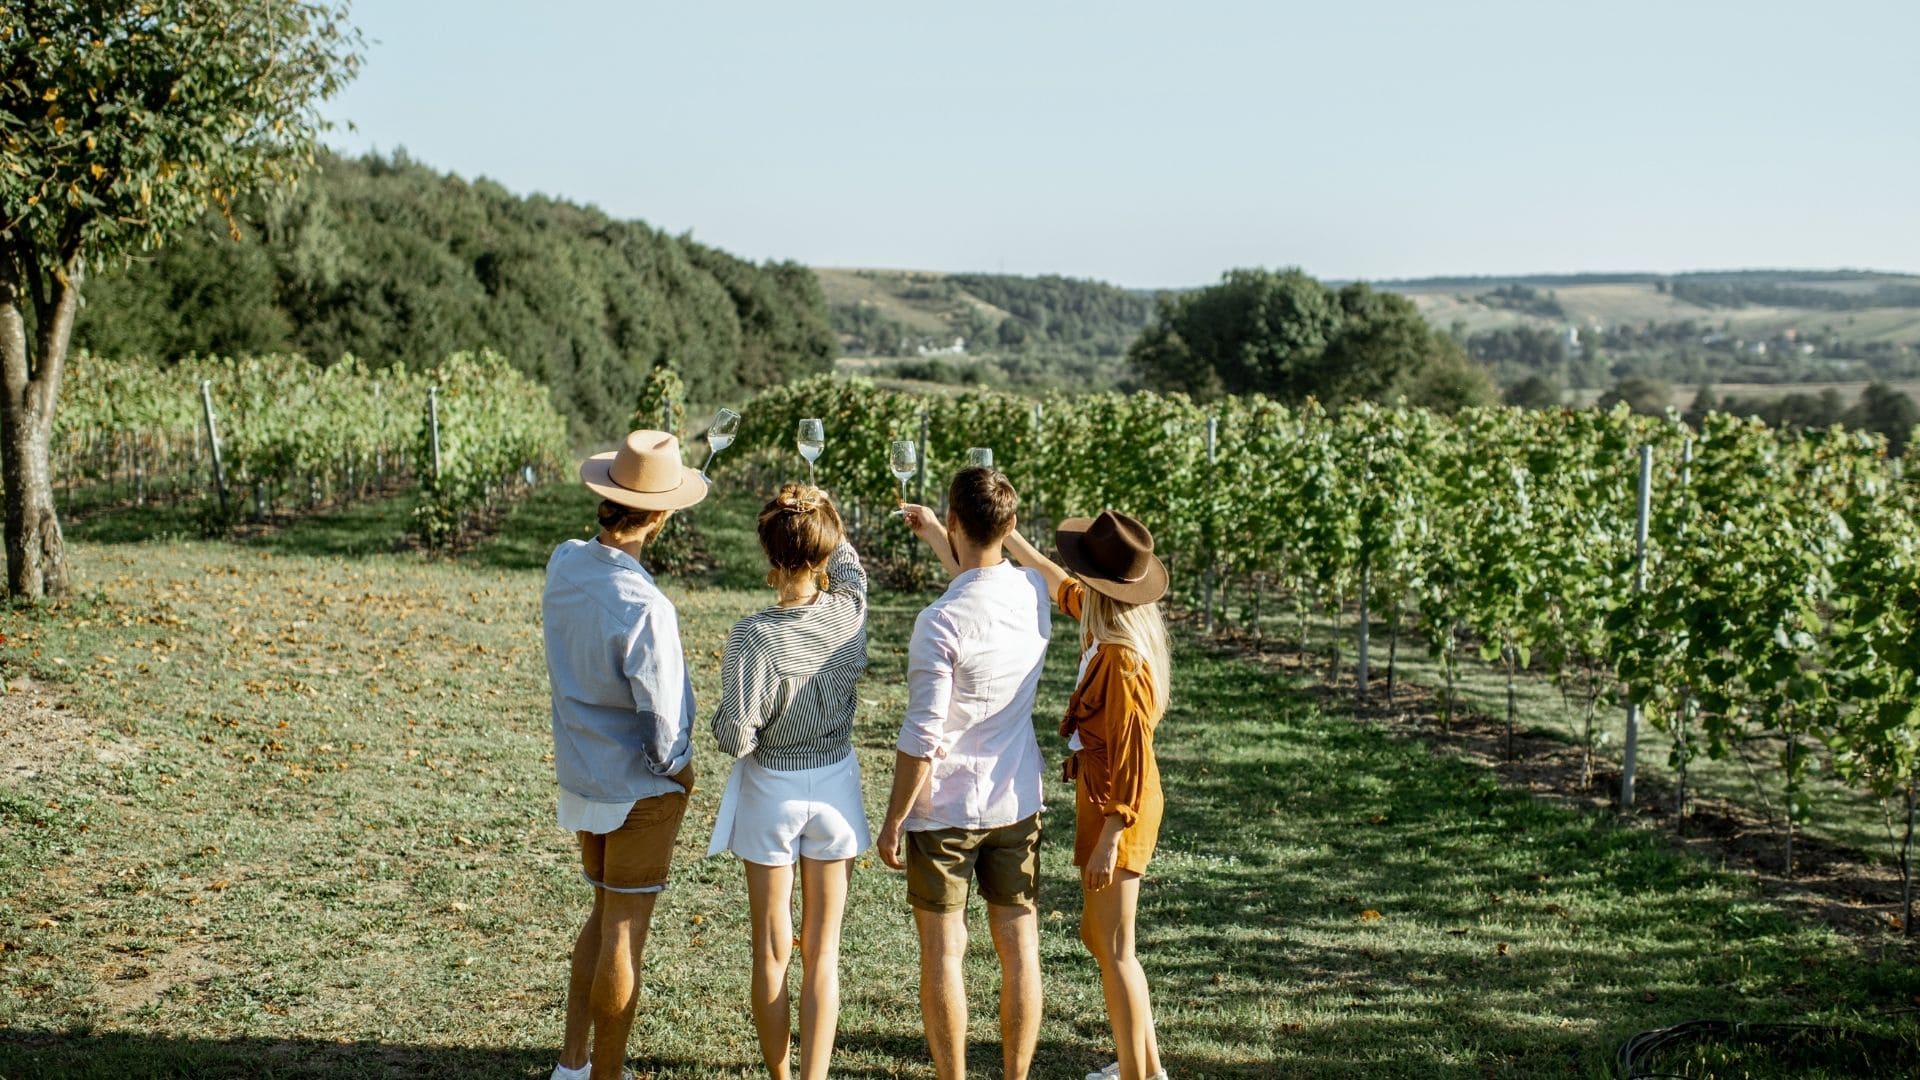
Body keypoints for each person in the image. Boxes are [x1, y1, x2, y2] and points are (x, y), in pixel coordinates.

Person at [541, 430, 707, 1080]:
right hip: (639, 789)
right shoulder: (647, 608)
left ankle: (573, 1064)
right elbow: (666, 734)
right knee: (625, 932)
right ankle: (607, 1076)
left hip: (584, 777)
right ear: (661, 517)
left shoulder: (564, 563)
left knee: (602, 915)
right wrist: (687, 776)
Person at [884, 467, 1051, 1080]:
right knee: (1019, 950)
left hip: (946, 811)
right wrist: (937, 536)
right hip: (1017, 801)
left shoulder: (938, 621)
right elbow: (986, 588)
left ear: (956, 521)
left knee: (944, 953)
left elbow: (924, 735)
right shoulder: (1033, 592)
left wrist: (893, 819)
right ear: (1009, 528)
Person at [707, 483, 871, 1080]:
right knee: (822, 956)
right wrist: (828, 515)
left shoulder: (753, 635)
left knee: (772, 954)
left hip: (772, 790)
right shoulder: (850, 613)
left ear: (771, 558)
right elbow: (852, 570)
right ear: (824, 550)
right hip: (834, 786)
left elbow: (738, 737)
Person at [1004, 510, 1170, 1080]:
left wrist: (1110, 840)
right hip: (1103, 802)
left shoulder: (1122, 662)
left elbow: (1132, 760)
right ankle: (1142, 1067)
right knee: (1100, 938)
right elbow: (1057, 581)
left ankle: (1136, 1075)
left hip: (1118, 809)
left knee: (1117, 946)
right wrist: (1011, 538)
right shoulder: (1106, 629)